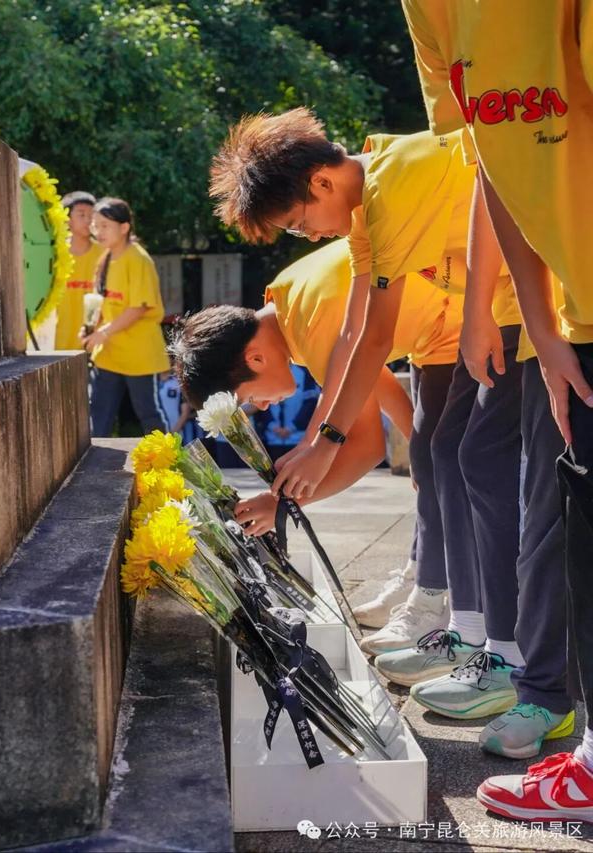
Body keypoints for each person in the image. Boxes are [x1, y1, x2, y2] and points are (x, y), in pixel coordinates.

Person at [209, 113, 525, 672]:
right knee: (442, 454)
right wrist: (317, 444)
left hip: (519, 302)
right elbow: (358, 334)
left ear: (321, 182)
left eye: (298, 225)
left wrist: (323, 444)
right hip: (492, 308)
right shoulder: (366, 209)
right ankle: (467, 625)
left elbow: (373, 339)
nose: (308, 238)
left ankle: (502, 645)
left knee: (471, 460)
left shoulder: (391, 184)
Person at [401, 0, 590, 817]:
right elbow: (498, 160)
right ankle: (527, 673)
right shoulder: (433, 10)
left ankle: (529, 673)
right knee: (544, 499)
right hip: (564, 311)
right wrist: (533, 323)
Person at [171, 237, 466, 646]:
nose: (262, 406)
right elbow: (373, 377)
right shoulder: (288, 301)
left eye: (250, 398)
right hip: (439, 335)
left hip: (460, 323)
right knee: (434, 466)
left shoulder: (316, 327)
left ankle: (432, 599)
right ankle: (422, 574)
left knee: (449, 470)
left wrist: (281, 504)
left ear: (254, 359)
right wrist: (418, 449)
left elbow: (365, 446)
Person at [82, 197, 169, 437]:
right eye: (95, 225)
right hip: (109, 352)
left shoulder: (138, 259)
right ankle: (97, 460)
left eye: (105, 226)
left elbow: (138, 308)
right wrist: (89, 327)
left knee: (148, 413)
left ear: (124, 227)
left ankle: (168, 457)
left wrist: (104, 332)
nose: (98, 232)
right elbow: (99, 300)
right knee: (98, 413)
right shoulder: (105, 258)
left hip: (139, 352)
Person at [55, 191, 103, 350]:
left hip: (95, 342)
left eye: (91, 215)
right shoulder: (55, 253)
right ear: (67, 219)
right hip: (60, 340)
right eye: (81, 215)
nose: (88, 220)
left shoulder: (104, 253)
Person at [260, 365, 319, 462]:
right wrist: (272, 426)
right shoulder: (266, 373)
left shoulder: (305, 373)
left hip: (297, 440)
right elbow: (261, 402)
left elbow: (310, 404)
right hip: (273, 440)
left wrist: (292, 427)